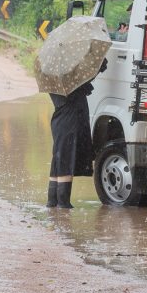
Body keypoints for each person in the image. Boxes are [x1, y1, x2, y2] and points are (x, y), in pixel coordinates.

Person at [46, 72, 99, 209]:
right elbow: (85, 80)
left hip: (59, 120)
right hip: (69, 121)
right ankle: (63, 202)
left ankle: (52, 201)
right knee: (65, 159)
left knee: (58, 159)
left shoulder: (52, 76)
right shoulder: (70, 80)